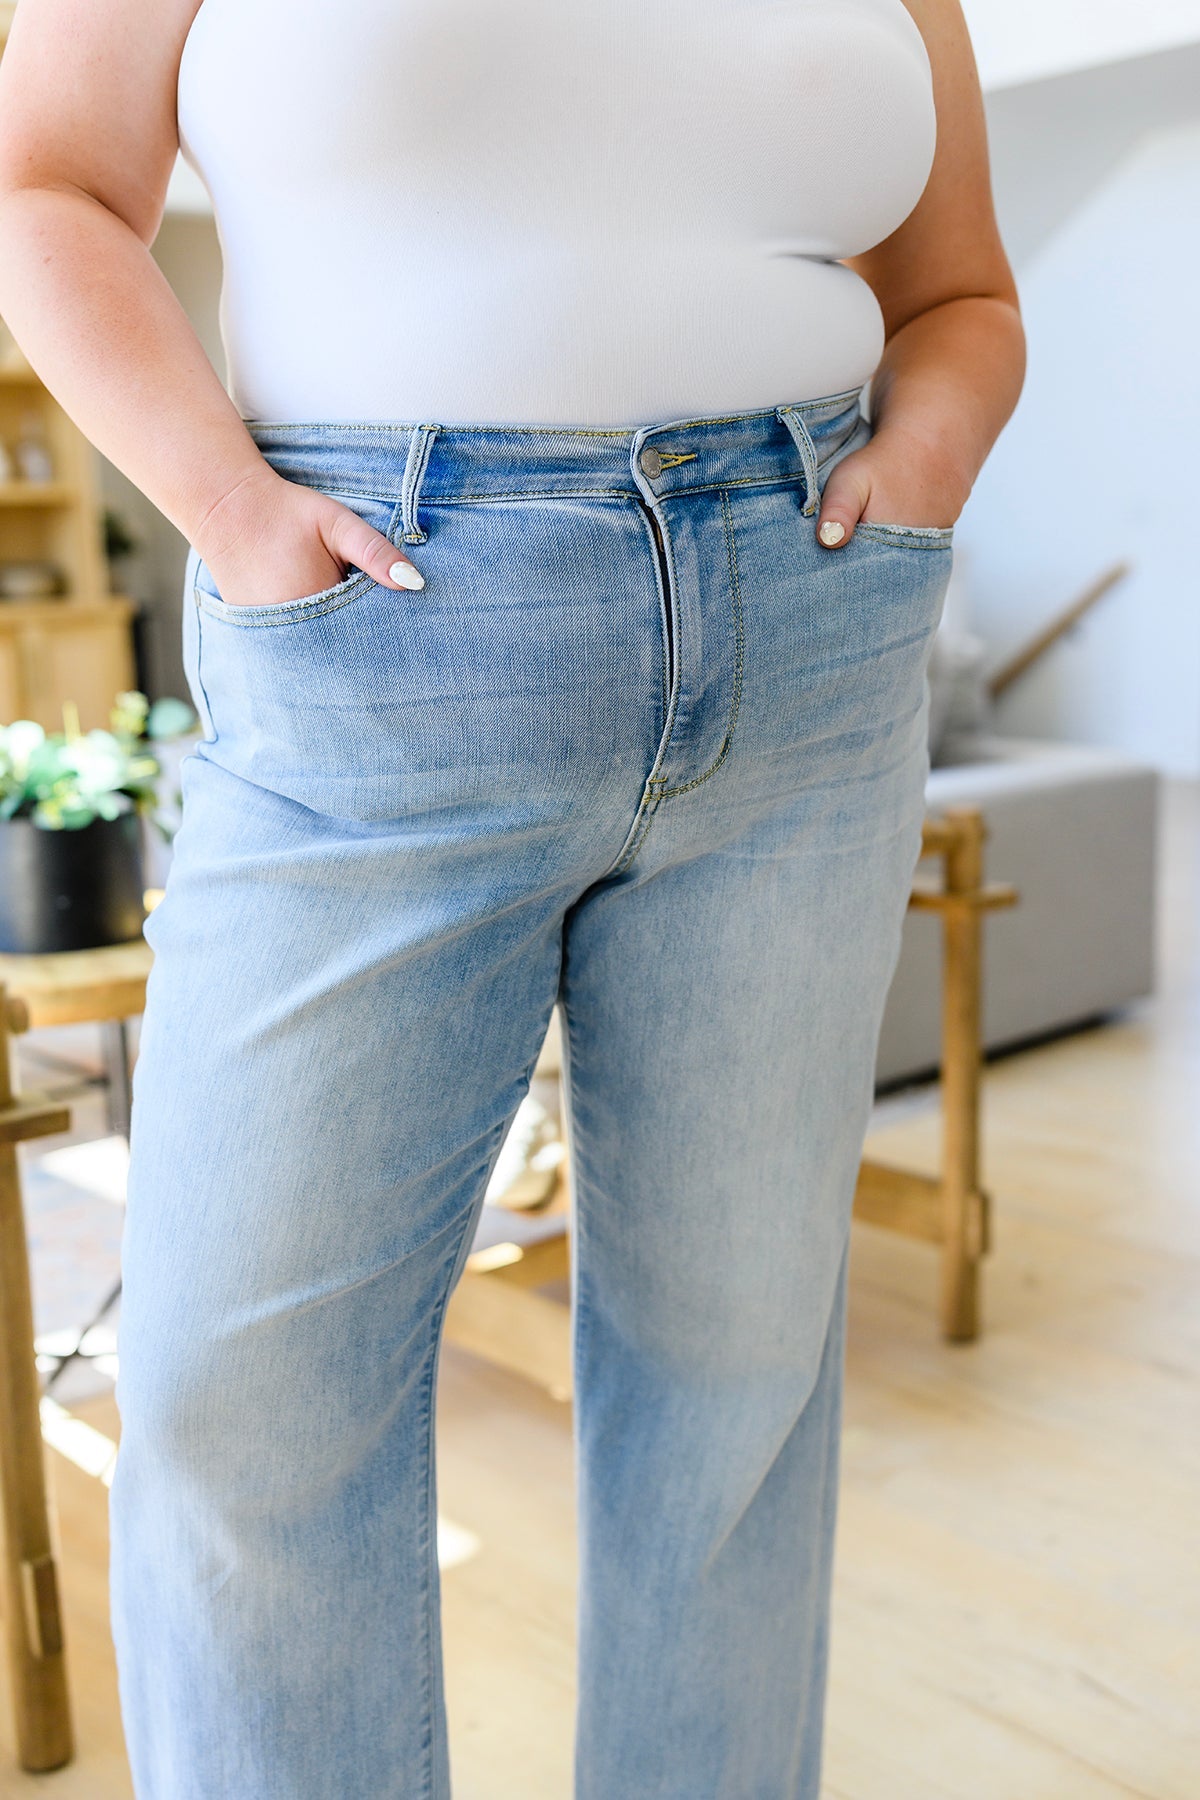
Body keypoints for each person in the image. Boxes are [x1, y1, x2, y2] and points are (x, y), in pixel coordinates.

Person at [0, 1, 1025, 1794]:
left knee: (736, 1384)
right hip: (376, 646)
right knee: (240, 1411)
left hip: (807, 644)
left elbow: (961, 297)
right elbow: (45, 188)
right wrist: (230, 512)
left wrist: (922, 466)